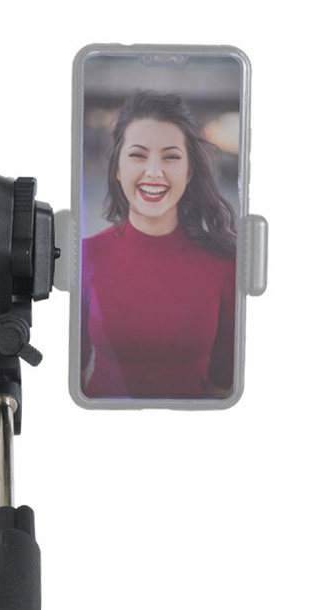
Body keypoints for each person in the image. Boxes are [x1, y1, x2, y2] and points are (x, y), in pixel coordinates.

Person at [81, 91, 237, 400]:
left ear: (189, 171)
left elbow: (224, 380)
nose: (154, 172)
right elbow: (75, 372)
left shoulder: (224, 263)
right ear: (117, 168)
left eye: (171, 157)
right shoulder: (86, 256)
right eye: (138, 155)